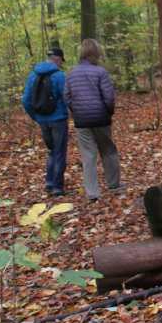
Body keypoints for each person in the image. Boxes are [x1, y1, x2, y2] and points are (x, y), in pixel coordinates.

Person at [63, 39, 126, 202]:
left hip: (82, 121)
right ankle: (113, 184)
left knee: (88, 156)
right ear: (96, 52)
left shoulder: (71, 74)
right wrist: (108, 112)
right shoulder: (100, 72)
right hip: (101, 118)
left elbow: (67, 97)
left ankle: (92, 192)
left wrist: (76, 111)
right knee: (108, 151)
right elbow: (108, 97)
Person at [23, 47, 69, 196]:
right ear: (58, 59)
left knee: (52, 152)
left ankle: (49, 183)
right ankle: (57, 188)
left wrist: (36, 117)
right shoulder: (60, 76)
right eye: (61, 60)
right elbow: (66, 98)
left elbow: (26, 100)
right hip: (58, 120)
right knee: (59, 152)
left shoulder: (32, 75)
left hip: (42, 120)